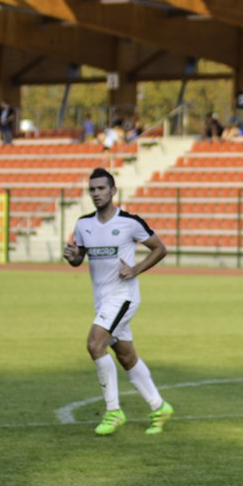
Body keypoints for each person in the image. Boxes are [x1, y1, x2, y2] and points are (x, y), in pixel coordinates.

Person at [62, 168, 174, 436]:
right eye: (93, 189)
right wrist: (72, 257)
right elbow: (79, 259)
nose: (96, 194)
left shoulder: (130, 222)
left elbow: (160, 248)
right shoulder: (83, 224)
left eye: (102, 189)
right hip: (102, 300)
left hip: (123, 297)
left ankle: (113, 411)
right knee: (126, 356)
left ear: (113, 191)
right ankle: (159, 407)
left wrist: (136, 269)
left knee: (94, 344)